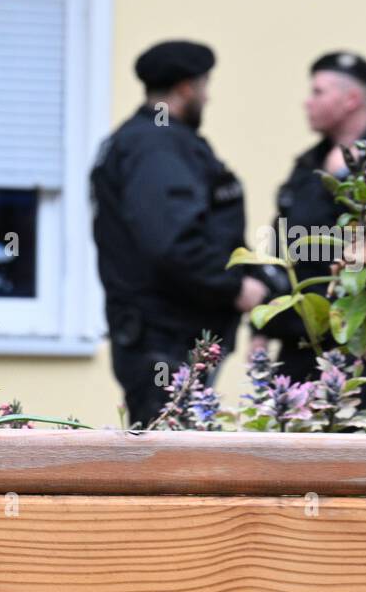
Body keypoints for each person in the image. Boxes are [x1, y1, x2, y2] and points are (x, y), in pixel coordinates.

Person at [91, 40, 266, 427]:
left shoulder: (147, 140)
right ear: (187, 88)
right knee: (169, 465)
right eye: (204, 87)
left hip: (164, 336)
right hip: (165, 340)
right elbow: (171, 242)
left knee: (172, 455)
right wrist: (235, 287)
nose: (207, 97)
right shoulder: (156, 145)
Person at [258, 52, 366, 412]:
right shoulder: (307, 165)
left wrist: (350, 180)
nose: (307, 101)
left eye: (318, 92)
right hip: (301, 348)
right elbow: (279, 248)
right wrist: (260, 326)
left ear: (351, 100)